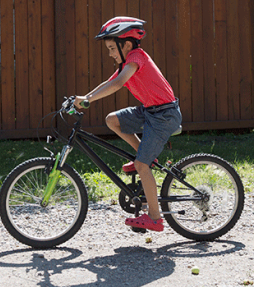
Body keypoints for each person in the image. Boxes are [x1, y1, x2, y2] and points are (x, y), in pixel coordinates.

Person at [74, 17, 182, 232]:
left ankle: (154, 218)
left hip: (164, 115)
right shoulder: (127, 63)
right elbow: (108, 82)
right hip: (149, 111)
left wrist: (89, 100)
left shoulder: (136, 58)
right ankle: (145, 157)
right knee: (112, 120)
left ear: (127, 44)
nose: (110, 53)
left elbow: (117, 84)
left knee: (141, 166)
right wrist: (83, 97)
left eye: (113, 48)